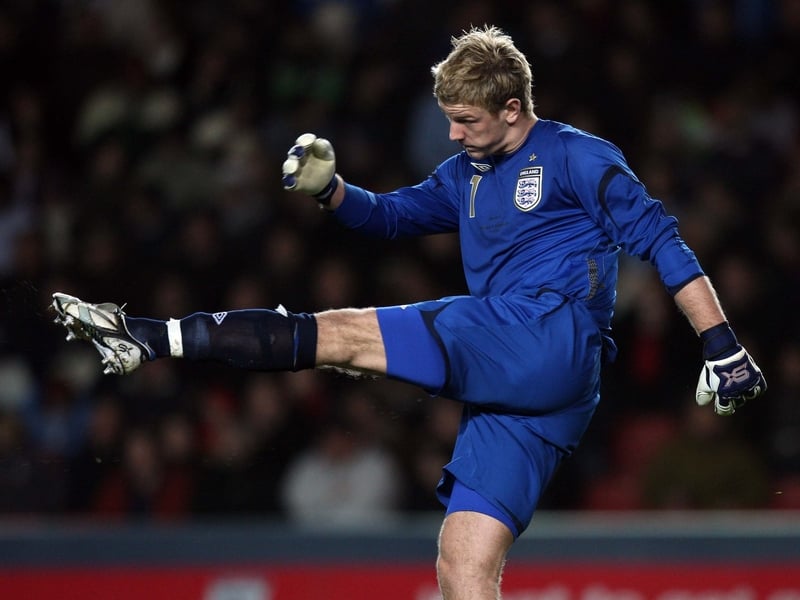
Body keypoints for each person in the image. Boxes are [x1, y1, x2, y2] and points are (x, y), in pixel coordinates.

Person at [51, 26, 767, 600]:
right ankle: (148, 339)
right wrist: (332, 190)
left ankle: (148, 337)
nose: (452, 135)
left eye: (466, 121)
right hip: (527, 391)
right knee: (462, 565)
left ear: (511, 108)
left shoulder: (579, 158)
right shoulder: (465, 172)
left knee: (344, 334)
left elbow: (663, 241)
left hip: (544, 336)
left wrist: (722, 345)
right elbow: (391, 217)